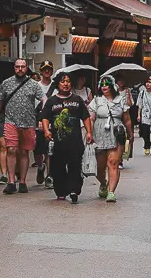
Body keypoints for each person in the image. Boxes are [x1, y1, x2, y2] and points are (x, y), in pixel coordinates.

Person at [0, 59, 45, 195]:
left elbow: (44, 99)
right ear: (14, 68)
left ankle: (22, 181)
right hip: (11, 121)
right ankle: (11, 181)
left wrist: (43, 118)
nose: (20, 69)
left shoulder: (33, 84)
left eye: (22, 67)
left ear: (27, 68)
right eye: (17, 67)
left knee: (24, 152)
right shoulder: (7, 83)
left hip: (28, 122)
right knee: (11, 149)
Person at [41, 72, 93, 203]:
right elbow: (45, 117)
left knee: (75, 166)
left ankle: (74, 190)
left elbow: (86, 117)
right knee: (57, 168)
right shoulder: (52, 101)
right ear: (58, 84)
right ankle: (61, 191)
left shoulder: (77, 100)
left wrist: (89, 132)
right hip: (57, 143)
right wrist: (46, 130)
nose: (66, 84)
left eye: (68, 81)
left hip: (75, 141)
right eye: (63, 82)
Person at [88, 75, 133, 203]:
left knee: (113, 163)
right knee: (99, 167)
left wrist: (130, 133)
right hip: (99, 134)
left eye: (107, 84)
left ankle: (111, 191)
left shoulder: (121, 100)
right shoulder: (96, 100)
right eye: (102, 85)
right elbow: (91, 118)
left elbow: (127, 119)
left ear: (112, 86)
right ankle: (103, 183)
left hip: (116, 133)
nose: (104, 87)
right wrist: (89, 132)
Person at [35, 60, 54, 188]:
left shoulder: (56, 86)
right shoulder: (35, 86)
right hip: (37, 120)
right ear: (41, 71)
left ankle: (49, 176)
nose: (47, 71)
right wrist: (37, 121)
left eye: (49, 69)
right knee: (37, 151)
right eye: (44, 69)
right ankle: (40, 166)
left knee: (49, 150)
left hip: (52, 120)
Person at [116, 76, 133, 169]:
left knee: (123, 138)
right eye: (119, 80)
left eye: (122, 80)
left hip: (125, 115)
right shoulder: (113, 91)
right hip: (116, 116)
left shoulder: (127, 91)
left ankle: (121, 159)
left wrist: (127, 95)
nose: (121, 82)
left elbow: (130, 104)